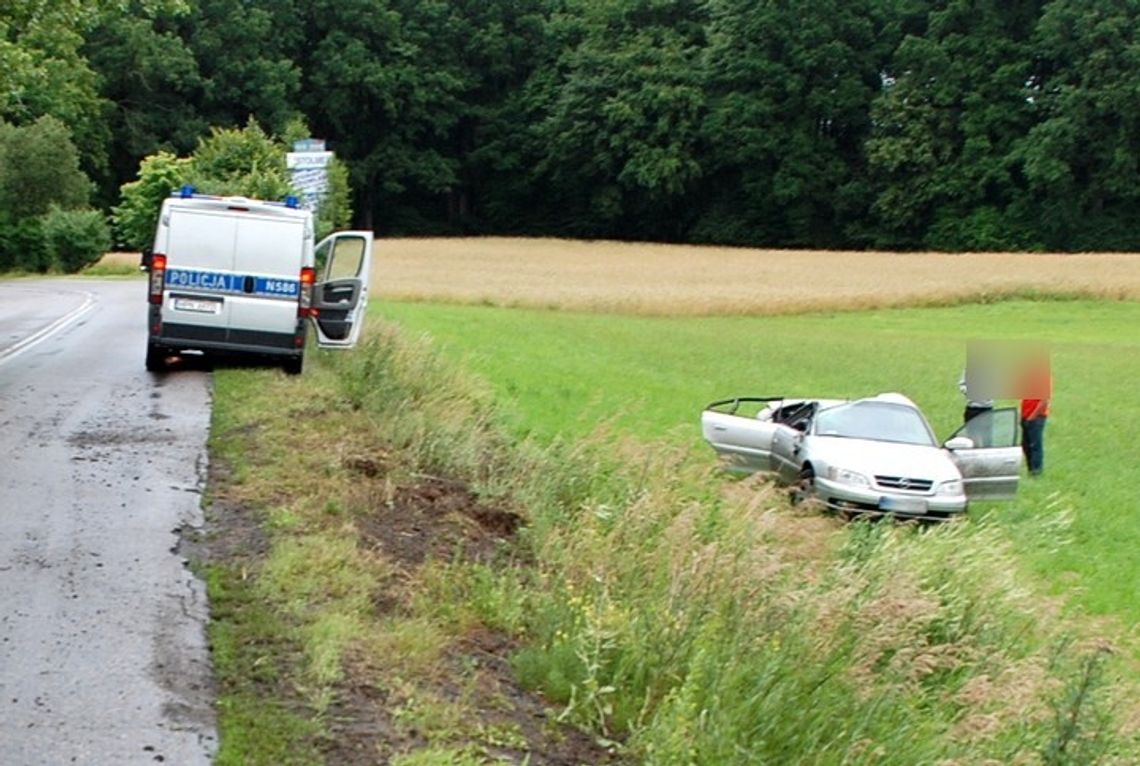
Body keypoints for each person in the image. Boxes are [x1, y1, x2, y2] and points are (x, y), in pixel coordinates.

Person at [1020, 355, 1052, 476]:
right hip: (1026, 415)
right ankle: (1031, 469)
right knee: (1026, 444)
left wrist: (1032, 417)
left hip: (1036, 417)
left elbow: (1044, 402)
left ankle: (1036, 471)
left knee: (1035, 445)